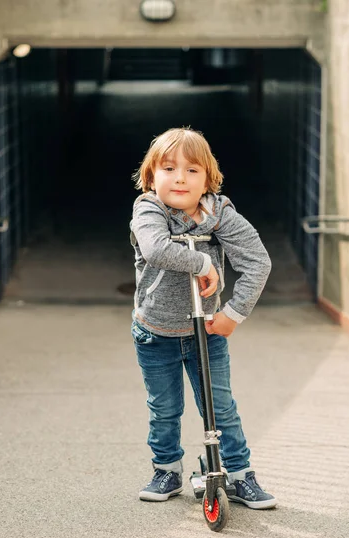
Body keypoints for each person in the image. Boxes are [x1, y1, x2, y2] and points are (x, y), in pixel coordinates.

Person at [130, 127, 277, 509]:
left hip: (207, 331)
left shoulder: (220, 213)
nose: (180, 177)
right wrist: (203, 261)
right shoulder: (148, 209)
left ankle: (239, 474)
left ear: (208, 180)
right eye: (169, 168)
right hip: (155, 331)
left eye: (192, 170)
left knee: (221, 405)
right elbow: (157, 248)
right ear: (150, 177)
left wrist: (234, 312)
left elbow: (258, 261)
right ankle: (166, 469)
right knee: (164, 408)